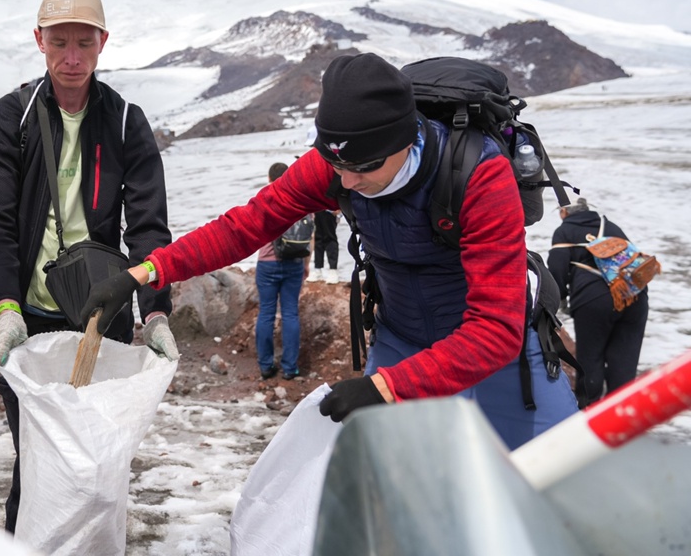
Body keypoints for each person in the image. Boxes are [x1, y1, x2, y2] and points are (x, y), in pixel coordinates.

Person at [82, 52, 579, 450]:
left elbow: (495, 328)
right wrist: (145, 272)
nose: (347, 181)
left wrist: (386, 388)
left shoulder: (478, 174)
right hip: (401, 336)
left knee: (560, 472)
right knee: (394, 490)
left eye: (363, 165)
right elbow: (244, 227)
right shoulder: (335, 164)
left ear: (405, 140)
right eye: (335, 164)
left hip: (500, 352)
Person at [0, 0, 175, 533]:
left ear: (103, 42)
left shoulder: (127, 121)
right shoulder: (8, 120)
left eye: (84, 43)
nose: (72, 57)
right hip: (27, 320)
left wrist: (155, 311)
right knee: (35, 462)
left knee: (98, 468)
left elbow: (149, 226)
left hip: (100, 316)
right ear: (38, 41)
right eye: (59, 42)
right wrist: (6, 308)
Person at [547, 198, 649, 405]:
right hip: (635, 296)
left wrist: (561, 299)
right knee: (624, 359)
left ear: (564, 213)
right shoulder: (611, 226)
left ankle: (590, 410)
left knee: (590, 357)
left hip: (592, 299)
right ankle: (621, 413)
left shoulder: (565, 231)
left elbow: (557, 269)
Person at [255, 162, 307, 380]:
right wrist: (307, 264)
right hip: (294, 262)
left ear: (269, 179)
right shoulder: (301, 199)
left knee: (266, 312)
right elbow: (308, 234)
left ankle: (266, 366)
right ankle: (289, 368)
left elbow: (253, 231)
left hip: (267, 264)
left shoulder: (264, 199)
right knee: (290, 313)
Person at [309, 209, 340, 283]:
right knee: (318, 238)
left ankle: (333, 270)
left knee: (330, 237)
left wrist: (339, 208)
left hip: (330, 208)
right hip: (317, 207)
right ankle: (317, 269)